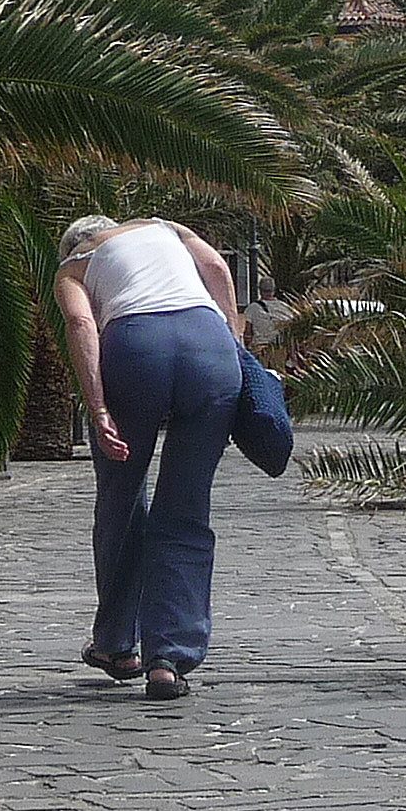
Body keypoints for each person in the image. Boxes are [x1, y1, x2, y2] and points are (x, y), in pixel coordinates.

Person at [54, 215, 242, 701]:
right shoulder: (163, 227)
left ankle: (117, 644)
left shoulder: (74, 267)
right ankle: (168, 660)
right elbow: (217, 270)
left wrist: (99, 409)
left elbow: (81, 323)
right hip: (209, 346)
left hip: (135, 351)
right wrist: (236, 346)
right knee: (186, 507)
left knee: (120, 497)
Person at [242, 275, 296, 363]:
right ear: (274, 290)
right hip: (282, 351)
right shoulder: (286, 307)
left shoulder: (253, 308)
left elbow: (248, 334)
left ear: (260, 291)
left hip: (261, 351)